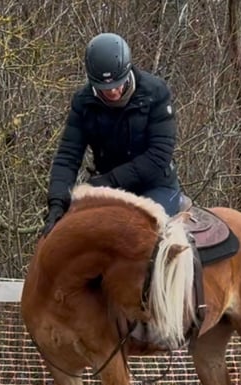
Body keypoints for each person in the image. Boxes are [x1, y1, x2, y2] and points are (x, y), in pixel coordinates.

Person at [42, 32, 181, 237]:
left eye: (117, 84)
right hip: (107, 190)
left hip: (155, 186)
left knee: (139, 238)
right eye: (105, 87)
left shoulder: (155, 92)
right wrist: (57, 202)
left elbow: (159, 155)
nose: (113, 92)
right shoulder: (83, 102)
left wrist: (107, 181)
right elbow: (67, 156)